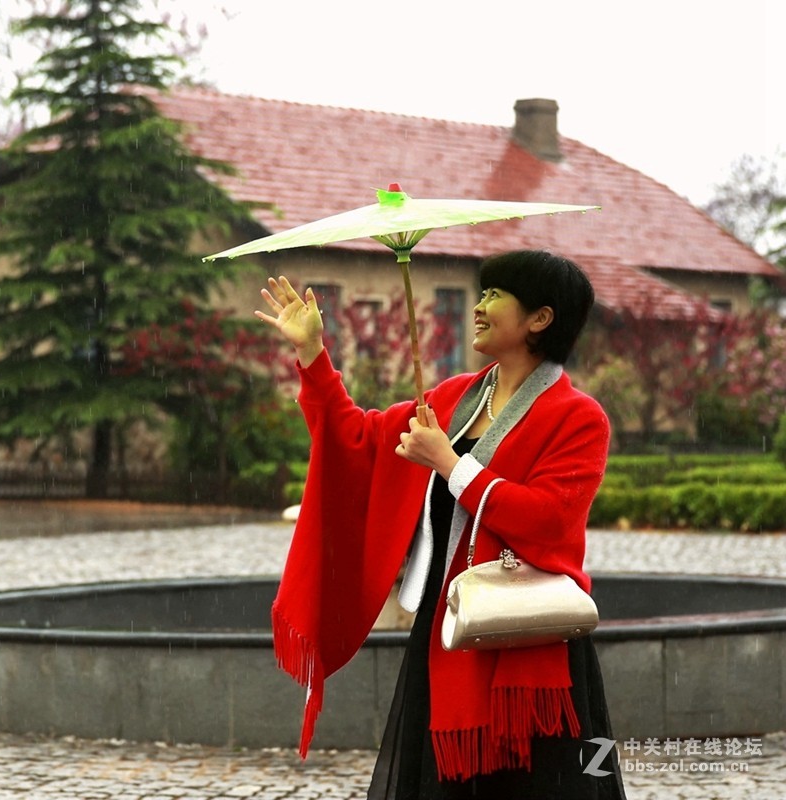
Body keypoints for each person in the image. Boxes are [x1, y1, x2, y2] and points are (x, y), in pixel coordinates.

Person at [255, 250, 626, 799]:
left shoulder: (577, 417)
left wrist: (451, 464)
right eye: (481, 294)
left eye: (494, 295)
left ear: (540, 319)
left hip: (529, 643)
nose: (477, 307)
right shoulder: (453, 399)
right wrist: (312, 352)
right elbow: (355, 441)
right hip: (448, 632)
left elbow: (548, 522)